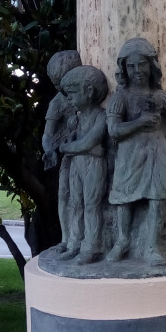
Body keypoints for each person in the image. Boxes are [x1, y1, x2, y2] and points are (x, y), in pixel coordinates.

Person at [106, 37, 166, 267]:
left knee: (157, 199)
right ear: (124, 68)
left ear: (151, 65)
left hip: (157, 152)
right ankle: (122, 242)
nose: (137, 71)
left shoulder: (161, 97)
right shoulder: (120, 97)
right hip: (130, 154)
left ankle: (152, 246)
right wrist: (140, 122)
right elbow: (113, 130)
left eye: (141, 64)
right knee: (124, 198)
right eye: (131, 66)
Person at [58, 65, 109, 264]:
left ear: (88, 91)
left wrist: (66, 148)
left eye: (71, 94)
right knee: (75, 204)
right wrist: (74, 144)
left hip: (94, 165)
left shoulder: (101, 116)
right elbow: (81, 143)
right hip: (77, 164)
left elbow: (89, 142)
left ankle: (92, 246)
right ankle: (74, 244)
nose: (69, 99)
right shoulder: (78, 119)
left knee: (91, 205)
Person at [42, 50, 81, 252]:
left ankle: (83, 239)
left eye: (64, 83)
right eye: (56, 84)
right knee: (65, 194)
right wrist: (49, 150)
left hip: (90, 154)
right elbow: (48, 134)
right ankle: (67, 238)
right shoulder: (58, 102)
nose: (61, 89)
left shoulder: (89, 93)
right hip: (70, 155)